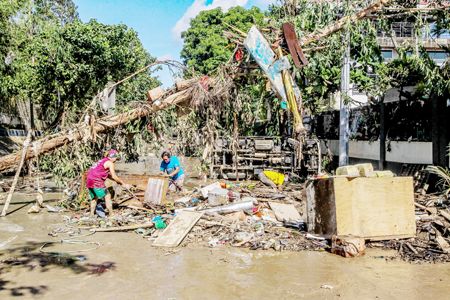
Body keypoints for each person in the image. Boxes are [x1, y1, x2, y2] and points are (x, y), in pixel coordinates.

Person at [86, 149, 131, 217]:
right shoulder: (110, 163)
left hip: (89, 180)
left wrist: (116, 181)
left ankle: (91, 214)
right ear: (113, 157)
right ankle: (111, 214)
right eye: (116, 158)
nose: (116, 160)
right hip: (96, 181)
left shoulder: (103, 160)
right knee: (107, 195)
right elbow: (114, 176)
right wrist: (123, 183)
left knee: (94, 197)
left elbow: (106, 174)